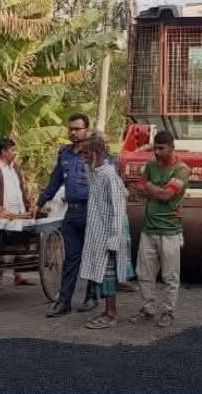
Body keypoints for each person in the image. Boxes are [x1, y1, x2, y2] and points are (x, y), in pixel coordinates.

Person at [37, 114, 100, 317]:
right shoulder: (64, 153)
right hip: (71, 213)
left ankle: (91, 297)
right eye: (70, 129)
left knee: (91, 256)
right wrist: (40, 201)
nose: (73, 132)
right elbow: (55, 180)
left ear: (87, 130)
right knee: (71, 258)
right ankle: (64, 303)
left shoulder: (96, 153)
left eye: (77, 129)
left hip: (92, 211)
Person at [129, 130, 191, 329]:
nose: (156, 152)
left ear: (172, 148)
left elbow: (166, 196)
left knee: (170, 276)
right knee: (144, 273)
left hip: (170, 231)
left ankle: (168, 312)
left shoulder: (182, 170)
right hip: (149, 229)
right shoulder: (151, 165)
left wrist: (149, 188)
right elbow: (138, 189)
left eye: (161, 148)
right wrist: (156, 190)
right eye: (154, 148)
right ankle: (148, 309)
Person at [78, 135, 129, 329]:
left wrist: (114, 237)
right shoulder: (93, 171)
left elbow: (118, 208)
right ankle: (107, 311)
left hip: (108, 233)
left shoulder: (109, 175)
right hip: (96, 232)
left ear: (96, 153)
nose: (82, 157)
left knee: (108, 275)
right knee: (100, 273)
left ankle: (111, 314)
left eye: (86, 153)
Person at [0, 137, 35, 290]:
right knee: (0, 246)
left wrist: (28, 205)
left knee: (19, 244)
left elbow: (21, 189)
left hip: (18, 212)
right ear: (3, 151)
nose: (15, 153)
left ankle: (18, 275)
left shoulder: (15, 168)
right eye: (12, 150)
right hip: (2, 213)